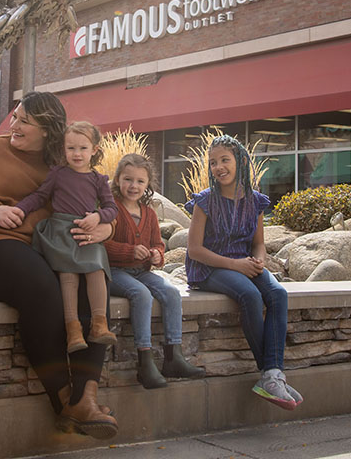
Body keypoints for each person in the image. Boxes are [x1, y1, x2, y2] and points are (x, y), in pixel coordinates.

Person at [0, 91, 119, 439]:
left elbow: (99, 206)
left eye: (24, 121)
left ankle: (86, 397)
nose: (14, 125)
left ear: (49, 130)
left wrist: (105, 227)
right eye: (16, 116)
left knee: (95, 285)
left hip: (47, 246)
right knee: (41, 287)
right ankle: (62, 398)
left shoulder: (64, 163)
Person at [185, 135, 303, 410]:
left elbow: (258, 244)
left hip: (244, 263)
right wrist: (237, 265)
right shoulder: (205, 202)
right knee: (250, 295)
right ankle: (271, 375)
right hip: (209, 268)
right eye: (213, 162)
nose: (218, 167)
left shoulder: (255, 202)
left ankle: (272, 376)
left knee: (277, 294)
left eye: (224, 160)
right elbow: (194, 250)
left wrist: (259, 262)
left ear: (239, 162)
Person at [13, 121, 118, 353]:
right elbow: (40, 196)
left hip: (86, 232)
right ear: (64, 149)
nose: (77, 154)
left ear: (94, 150)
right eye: (71, 148)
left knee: (96, 269)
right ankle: (73, 329)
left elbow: (112, 208)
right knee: (68, 276)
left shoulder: (98, 180)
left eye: (82, 148)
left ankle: (99, 325)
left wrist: (99, 217)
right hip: (61, 231)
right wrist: (20, 209)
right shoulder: (58, 174)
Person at [105, 153, 205, 389]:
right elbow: (101, 245)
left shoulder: (148, 212)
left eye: (140, 181)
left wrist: (158, 255)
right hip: (114, 271)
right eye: (128, 179)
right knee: (141, 294)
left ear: (148, 184)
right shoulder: (111, 209)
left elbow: (157, 243)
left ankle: (173, 356)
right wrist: (129, 251)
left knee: (170, 292)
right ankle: (145, 361)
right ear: (118, 179)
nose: (133, 186)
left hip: (141, 271)